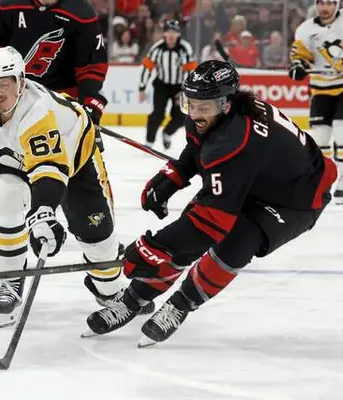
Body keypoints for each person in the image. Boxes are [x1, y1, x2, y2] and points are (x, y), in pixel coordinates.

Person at [84, 60, 337, 346]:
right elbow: (199, 147)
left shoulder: (237, 141)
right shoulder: (217, 116)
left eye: (202, 107)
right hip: (256, 178)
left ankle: (180, 304)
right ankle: (133, 300)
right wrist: (175, 174)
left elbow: (208, 226)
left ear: (226, 103)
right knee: (186, 236)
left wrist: (152, 246)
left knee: (237, 242)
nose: (194, 113)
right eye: (190, 104)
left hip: (298, 197)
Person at [0, 47, 152, 328]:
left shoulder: (37, 111)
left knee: (99, 243)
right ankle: (9, 283)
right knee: (4, 193)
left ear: (20, 82)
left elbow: (48, 172)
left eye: (4, 85)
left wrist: (42, 213)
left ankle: (109, 290)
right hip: (20, 160)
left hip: (75, 163)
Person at [0, 0, 109, 266]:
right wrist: (2, 77)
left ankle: (102, 225)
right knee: (0, 157)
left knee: (88, 160)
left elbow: (91, 64)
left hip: (62, 103)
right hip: (16, 95)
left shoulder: (80, 12)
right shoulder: (10, 5)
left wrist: (89, 102)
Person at [289, 0, 343, 203]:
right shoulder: (306, 29)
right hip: (320, 89)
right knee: (320, 140)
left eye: (330, 3)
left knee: (341, 133)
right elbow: (300, 55)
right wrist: (298, 66)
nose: (325, 8)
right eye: (321, 3)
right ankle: (325, 180)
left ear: (337, 5)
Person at [139, 20, 197, 150]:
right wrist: (142, 88)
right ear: (164, 33)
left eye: (174, 32)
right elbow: (147, 68)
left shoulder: (185, 48)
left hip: (180, 86)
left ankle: (167, 133)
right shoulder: (157, 48)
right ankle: (149, 143)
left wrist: (185, 91)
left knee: (181, 117)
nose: (171, 35)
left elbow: (191, 71)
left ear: (179, 34)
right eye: (168, 31)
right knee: (157, 115)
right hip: (162, 85)